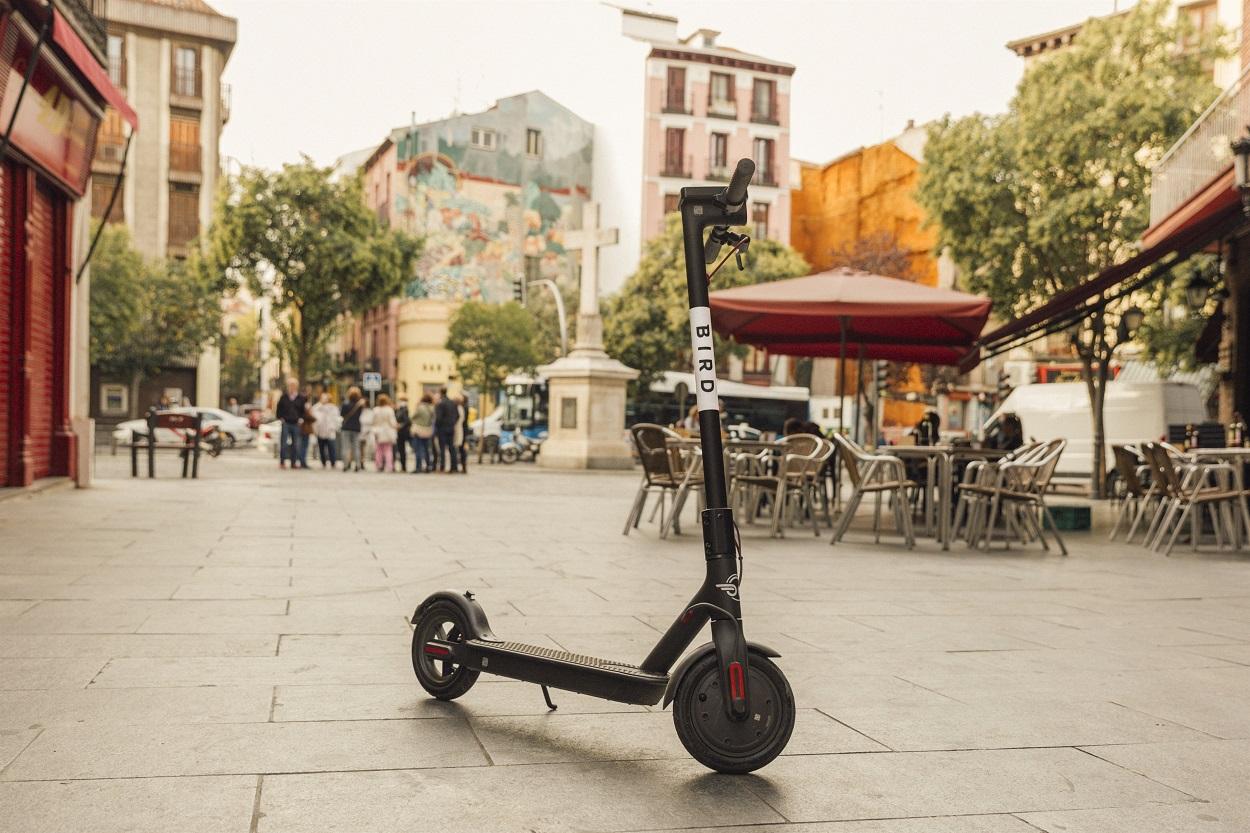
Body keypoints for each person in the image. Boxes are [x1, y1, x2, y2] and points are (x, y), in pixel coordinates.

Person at [275, 378, 308, 469]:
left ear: (296, 387)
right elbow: (278, 409)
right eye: (290, 386)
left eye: (294, 386)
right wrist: (280, 418)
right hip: (286, 422)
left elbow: (303, 411)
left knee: (296, 444)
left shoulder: (301, 398)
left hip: (296, 423)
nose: (292, 387)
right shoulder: (284, 397)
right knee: (284, 444)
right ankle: (282, 462)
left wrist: (301, 419)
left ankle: (293, 462)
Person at [339, 387, 366, 472]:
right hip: (356, 428)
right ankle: (357, 465)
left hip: (346, 427)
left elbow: (341, 415)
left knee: (345, 447)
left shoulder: (345, 404)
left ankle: (345, 465)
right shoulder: (359, 405)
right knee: (356, 447)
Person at [311, 393, 341, 468]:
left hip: (330, 431)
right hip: (320, 430)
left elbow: (336, 419)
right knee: (321, 448)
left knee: (332, 448)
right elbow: (314, 419)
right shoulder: (316, 407)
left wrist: (334, 427)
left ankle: (333, 462)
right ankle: (323, 462)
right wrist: (315, 429)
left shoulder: (333, 408)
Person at [434, 387, 460, 473]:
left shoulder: (440, 404)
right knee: (451, 448)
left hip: (442, 429)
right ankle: (454, 467)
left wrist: (437, 427)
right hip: (451, 428)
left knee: (442, 449)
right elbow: (457, 415)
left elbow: (438, 418)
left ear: (440, 393)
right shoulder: (452, 403)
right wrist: (452, 423)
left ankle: (442, 467)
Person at [371, 394, 399, 472]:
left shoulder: (375, 410)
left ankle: (378, 465)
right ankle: (389, 466)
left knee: (378, 450)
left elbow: (372, 421)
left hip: (378, 431)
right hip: (388, 432)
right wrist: (396, 427)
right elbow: (392, 422)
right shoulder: (389, 410)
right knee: (388, 450)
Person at [409, 393, 435, 473]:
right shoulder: (432, 408)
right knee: (427, 449)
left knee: (418, 449)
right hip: (428, 431)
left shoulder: (420, 408)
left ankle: (418, 467)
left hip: (419, 430)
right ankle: (428, 466)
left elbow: (412, 417)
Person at [394, 396, 411, 472]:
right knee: (401, 450)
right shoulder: (401, 409)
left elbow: (407, 421)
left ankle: (403, 467)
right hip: (400, 432)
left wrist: (400, 425)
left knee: (402, 450)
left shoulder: (404, 409)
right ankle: (402, 466)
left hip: (402, 432)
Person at [455, 393, 469, 473]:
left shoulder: (463, 408)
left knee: (462, 449)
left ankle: (463, 466)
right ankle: (463, 466)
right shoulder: (464, 407)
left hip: (462, 430)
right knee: (462, 449)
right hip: (463, 430)